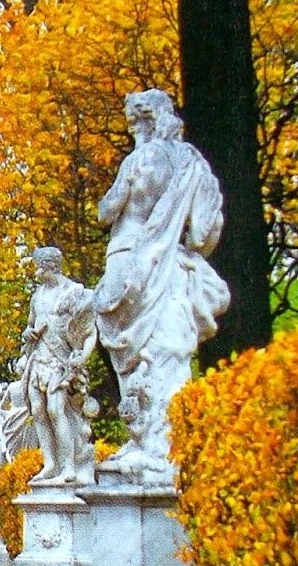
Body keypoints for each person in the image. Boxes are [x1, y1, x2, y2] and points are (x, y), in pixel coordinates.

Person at [93, 88, 230, 481]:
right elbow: (205, 233)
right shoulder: (192, 164)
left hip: (126, 256)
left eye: (132, 121)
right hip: (167, 260)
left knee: (133, 351)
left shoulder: (141, 159)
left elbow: (106, 212)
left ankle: (152, 443)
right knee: (165, 348)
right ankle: (158, 441)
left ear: (142, 120)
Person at [16, 246, 97, 487]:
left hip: (61, 363)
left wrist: (81, 357)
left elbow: (90, 331)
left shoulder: (73, 292)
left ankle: (69, 465)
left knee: (56, 410)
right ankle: (50, 464)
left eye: (40, 267)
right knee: (38, 411)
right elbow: (28, 326)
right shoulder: (38, 295)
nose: (37, 272)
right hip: (38, 360)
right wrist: (28, 333)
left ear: (52, 266)